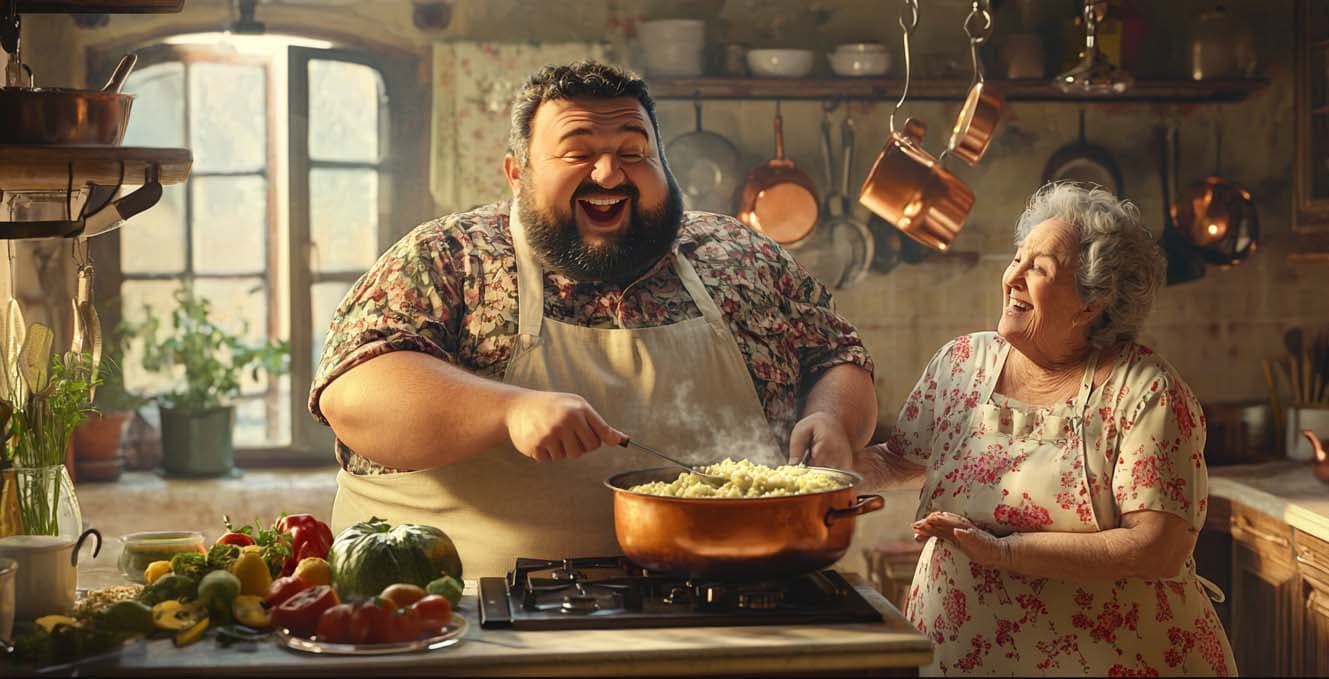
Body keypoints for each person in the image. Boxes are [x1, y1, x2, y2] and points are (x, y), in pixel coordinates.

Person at [311, 61, 876, 577]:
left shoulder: (741, 254)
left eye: (634, 152)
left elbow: (838, 357)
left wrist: (835, 422)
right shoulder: (449, 257)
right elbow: (354, 395)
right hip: (463, 620)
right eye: (578, 152)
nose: (609, 174)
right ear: (517, 172)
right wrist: (506, 410)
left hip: (731, 602)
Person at [830, 183, 1235, 676]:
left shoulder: (1145, 392)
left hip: (1119, 659)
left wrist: (1004, 552)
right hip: (964, 658)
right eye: (1016, 259)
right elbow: (900, 457)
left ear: (1091, 303)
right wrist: (834, 467)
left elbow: (1157, 548)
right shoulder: (961, 363)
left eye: (1038, 269)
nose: (1013, 277)